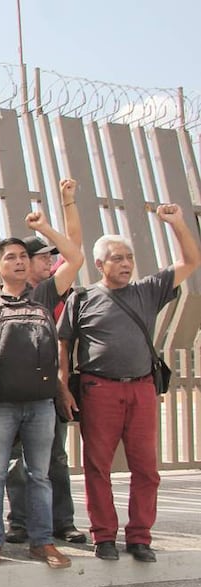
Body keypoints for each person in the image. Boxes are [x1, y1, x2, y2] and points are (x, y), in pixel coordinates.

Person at [58, 203, 201, 562]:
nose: (125, 263)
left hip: (141, 389)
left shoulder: (148, 290)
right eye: (117, 258)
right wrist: (63, 386)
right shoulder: (82, 298)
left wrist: (177, 224)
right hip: (98, 389)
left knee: (145, 468)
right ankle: (103, 536)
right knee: (97, 466)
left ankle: (140, 537)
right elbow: (64, 345)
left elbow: (191, 261)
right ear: (100, 265)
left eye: (129, 257)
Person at [0, 211, 82, 569]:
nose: (18, 261)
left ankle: (42, 542)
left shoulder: (44, 294)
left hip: (41, 402)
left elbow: (75, 257)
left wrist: (43, 228)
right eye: (10, 257)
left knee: (40, 474)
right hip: (0, 402)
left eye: (23, 256)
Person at [5, 179, 86, 546]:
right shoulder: (9, 295)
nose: (49, 261)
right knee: (15, 460)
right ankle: (19, 522)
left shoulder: (53, 288)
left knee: (54, 458)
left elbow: (75, 253)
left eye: (47, 257)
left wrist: (65, 206)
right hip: (15, 387)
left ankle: (62, 521)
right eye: (41, 256)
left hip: (49, 384)